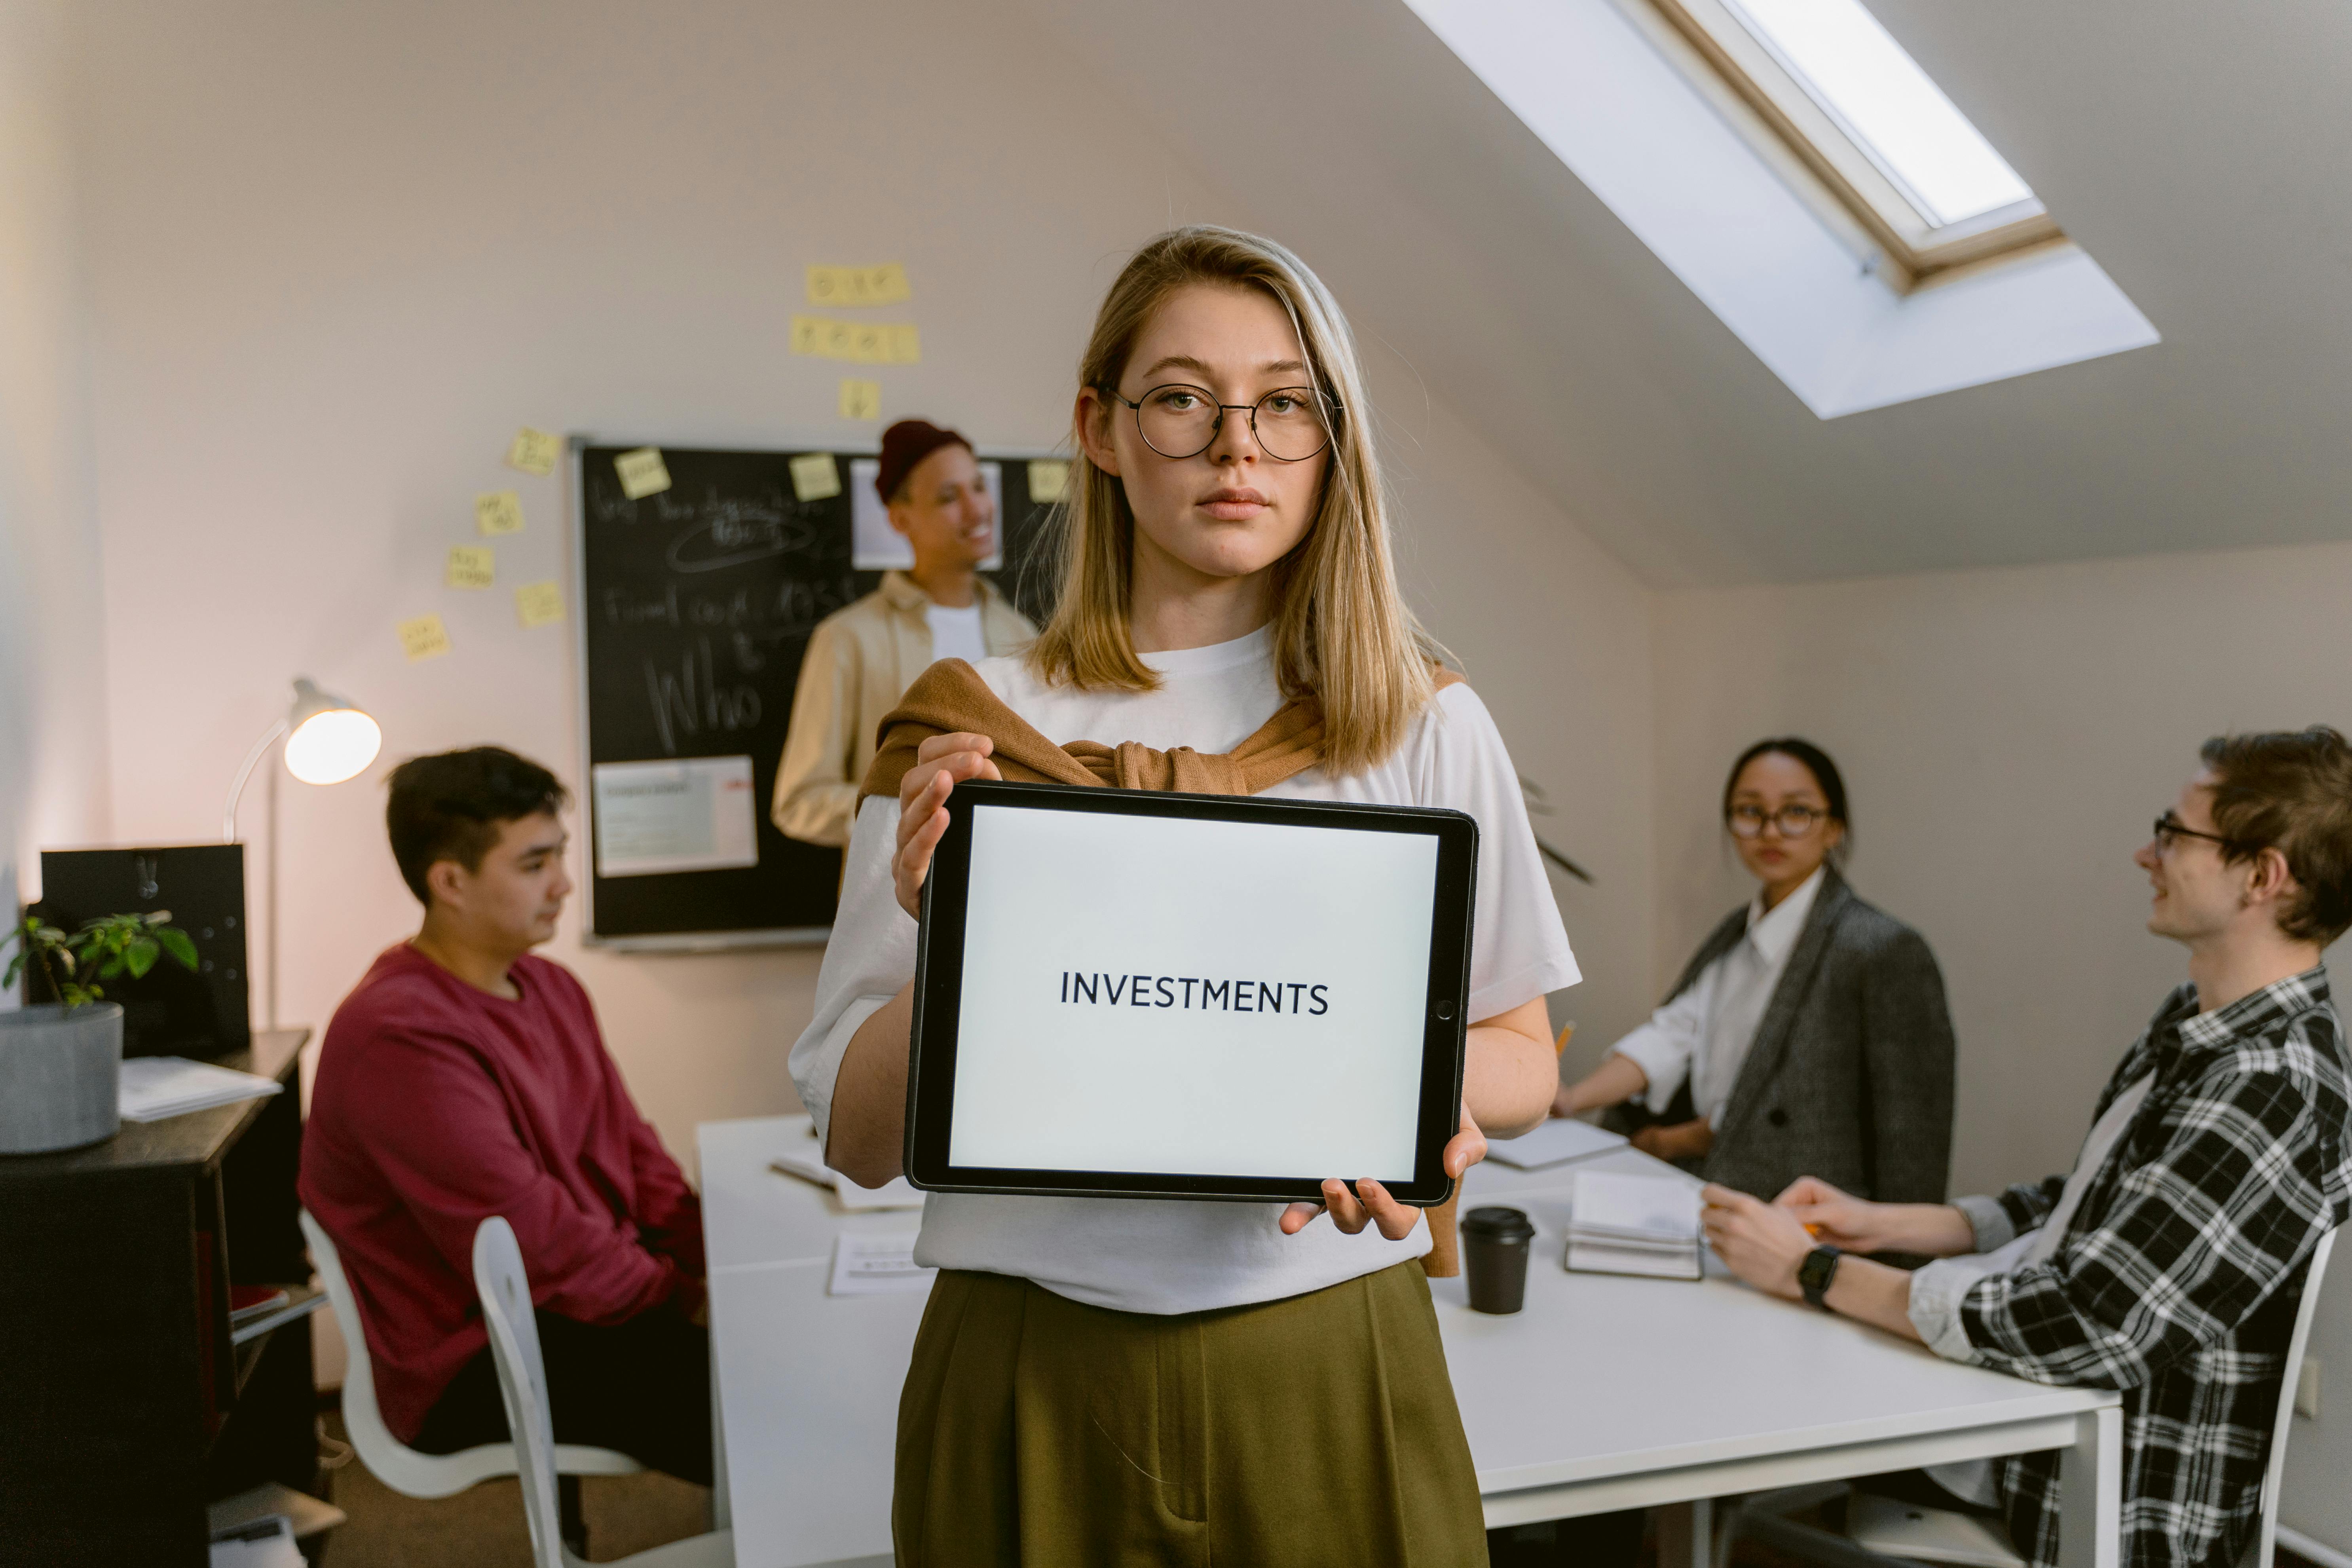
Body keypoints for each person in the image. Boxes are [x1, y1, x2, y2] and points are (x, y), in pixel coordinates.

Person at [788, 226, 1573, 1566]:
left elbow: (1520, 1059)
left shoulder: (1420, 723)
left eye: (1285, 402)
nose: (1237, 447)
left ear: (1333, 439)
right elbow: (856, 1137)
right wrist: (956, 933)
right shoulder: (969, 731)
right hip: (1028, 1353)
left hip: (1330, 1348)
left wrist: (1405, 1098)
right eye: (1181, 399)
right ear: (1098, 426)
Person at [1705, 727, 2352, 1568]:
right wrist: (1890, 1223)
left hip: (2090, 1491)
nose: (2143, 854)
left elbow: (2084, 1322)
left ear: (2262, 875)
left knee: (1743, 1419)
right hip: (2030, 1427)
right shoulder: (2201, 1024)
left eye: (2173, 833)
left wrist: (1812, 1272)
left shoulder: (2269, 1084)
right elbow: (2097, 1198)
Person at [300, 747, 712, 1496]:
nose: (563, 884)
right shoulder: (397, 1035)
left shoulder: (550, 985)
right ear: (449, 881)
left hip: (572, 1303)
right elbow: (531, 1244)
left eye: (558, 855)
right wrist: (683, 1299)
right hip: (481, 1352)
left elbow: (636, 1156)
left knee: (776, 1349)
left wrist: (714, 1257)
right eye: (533, 865)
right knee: (764, 1397)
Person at [1553, 738, 1956, 1204]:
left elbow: (1912, 1138)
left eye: (1796, 811)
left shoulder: (1882, 948)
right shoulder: (1735, 934)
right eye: (1750, 811)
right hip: (1712, 1193)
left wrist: (1900, 1260)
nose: (1770, 831)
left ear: (1834, 828)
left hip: (1812, 1215)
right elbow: (1670, 1036)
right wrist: (1571, 1099)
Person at [771, 419, 1038, 847]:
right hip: (887, 900)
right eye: (949, 496)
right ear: (900, 518)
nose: (976, 509)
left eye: (979, 487)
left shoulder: (1022, 634)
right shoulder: (848, 638)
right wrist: (906, 807)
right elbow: (800, 800)